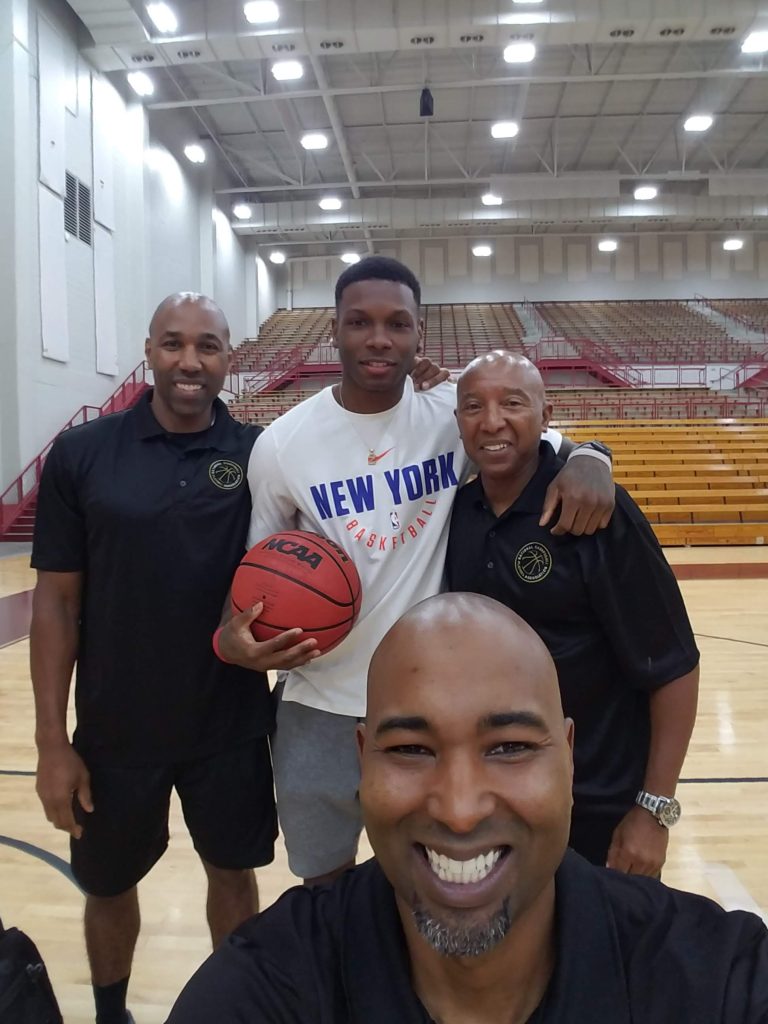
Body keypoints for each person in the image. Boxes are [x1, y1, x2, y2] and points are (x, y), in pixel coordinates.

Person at [167, 594, 768, 1024]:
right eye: (410, 749)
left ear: (569, 756)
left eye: (509, 747)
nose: (459, 810)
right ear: (362, 759)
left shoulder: (716, 978)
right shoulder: (261, 991)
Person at [218, 255, 616, 887]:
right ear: (334, 330)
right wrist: (233, 641)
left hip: (436, 700)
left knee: (432, 876)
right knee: (323, 882)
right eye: (360, 322)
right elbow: (256, 574)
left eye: (397, 323)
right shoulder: (282, 445)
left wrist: (594, 454)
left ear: (419, 333)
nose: (379, 338)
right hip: (319, 701)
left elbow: (548, 444)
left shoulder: (451, 414)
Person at [29, 293, 309, 1024]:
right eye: (174, 343)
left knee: (233, 875)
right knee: (107, 886)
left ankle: (233, 1010)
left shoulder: (259, 453)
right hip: (115, 728)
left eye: (208, 346)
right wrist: (52, 741)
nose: (190, 361)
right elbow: (55, 604)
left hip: (229, 720)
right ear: (149, 350)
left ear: (229, 358)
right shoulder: (83, 453)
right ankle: (112, 1014)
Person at [446, 351, 701, 874]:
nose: (491, 421)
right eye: (473, 406)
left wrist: (653, 811)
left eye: (512, 403)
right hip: (497, 801)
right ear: (457, 421)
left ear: (546, 416)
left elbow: (673, 666)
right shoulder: (459, 514)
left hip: (600, 802)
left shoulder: (596, 510)